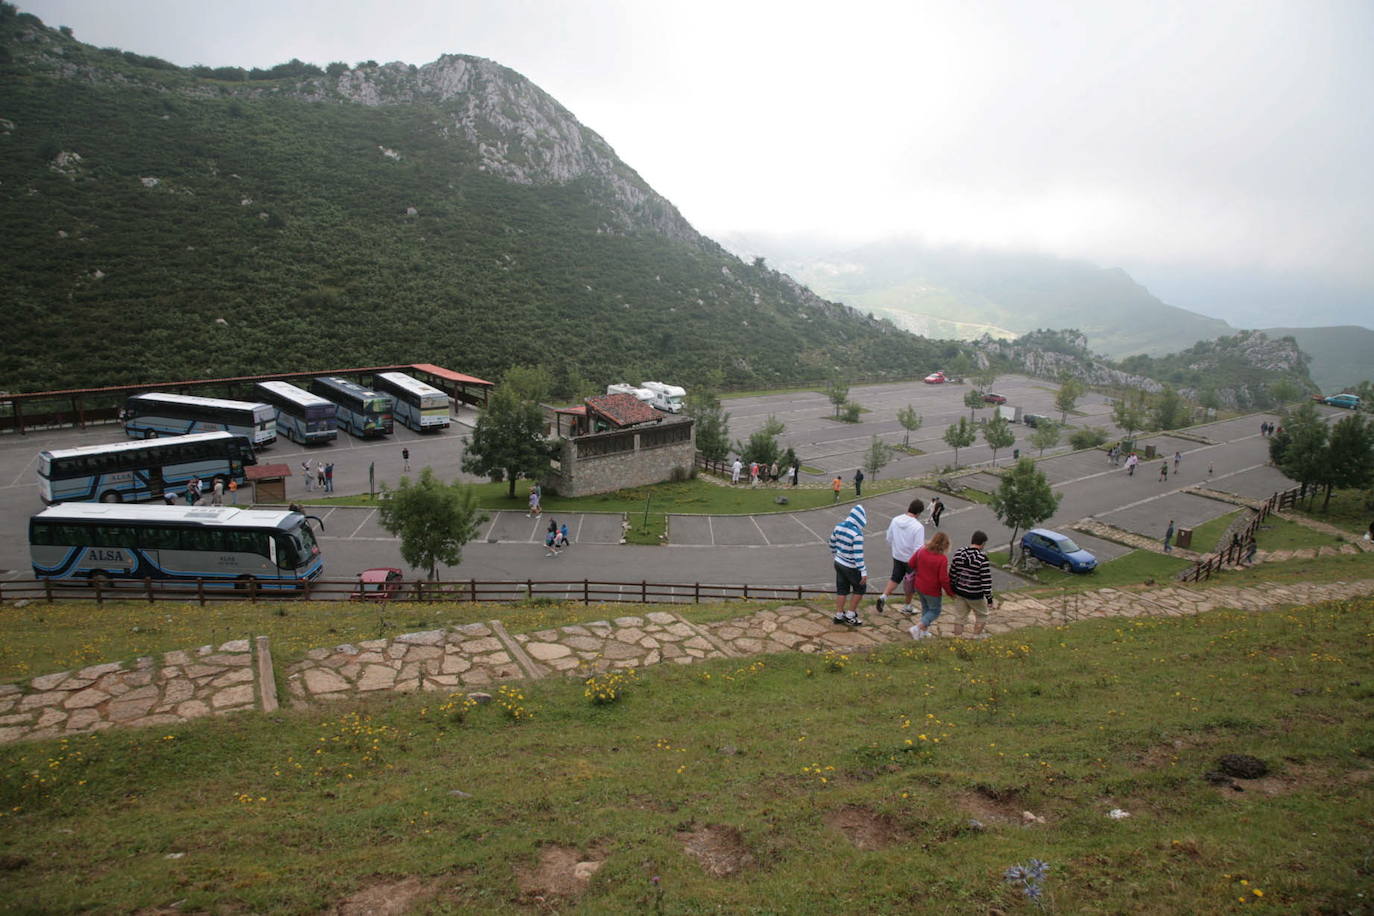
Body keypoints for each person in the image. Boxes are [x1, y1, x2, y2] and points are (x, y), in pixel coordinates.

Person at [875, 499, 925, 615]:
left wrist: (896, 548)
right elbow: (918, 548)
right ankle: (907, 606)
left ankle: (884, 596)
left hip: (897, 555)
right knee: (910, 582)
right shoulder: (918, 527)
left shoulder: (895, 520)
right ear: (919, 513)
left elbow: (889, 537)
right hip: (911, 559)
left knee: (895, 577)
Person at [948, 530, 995, 639]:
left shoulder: (959, 552)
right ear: (983, 544)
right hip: (975, 594)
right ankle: (976, 636)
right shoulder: (982, 558)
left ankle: (957, 639)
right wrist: (989, 599)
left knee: (960, 617)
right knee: (982, 615)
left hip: (959, 591)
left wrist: (953, 588)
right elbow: (986, 581)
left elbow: (952, 573)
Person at [908, 531, 954, 639]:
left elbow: (911, 563)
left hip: (919, 585)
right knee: (935, 611)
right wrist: (950, 592)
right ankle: (917, 628)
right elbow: (943, 579)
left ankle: (923, 631)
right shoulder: (942, 559)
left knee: (926, 608)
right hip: (932, 590)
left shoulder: (922, 550)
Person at [829, 504, 868, 626]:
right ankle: (851, 615)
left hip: (838, 562)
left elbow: (831, 543)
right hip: (851, 566)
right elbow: (858, 555)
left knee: (842, 589)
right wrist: (863, 571)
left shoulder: (838, 526)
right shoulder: (857, 534)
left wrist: (837, 553)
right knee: (860, 588)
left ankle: (839, 615)